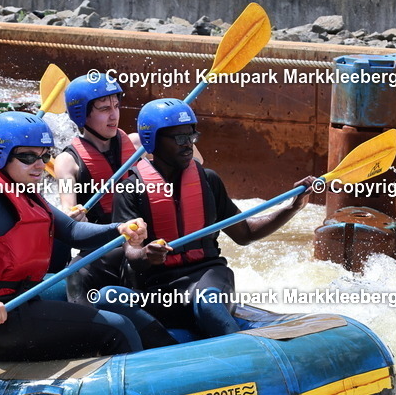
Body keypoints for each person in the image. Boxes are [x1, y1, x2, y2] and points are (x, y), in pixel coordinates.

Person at [0, 111, 154, 362]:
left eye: (45, 156)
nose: (40, 165)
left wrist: (119, 229)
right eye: (28, 157)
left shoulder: (21, 188)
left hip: (23, 303)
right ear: (1, 155)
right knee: (119, 327)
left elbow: (73, 231)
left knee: (84, 302)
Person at [106, 98, 315, 339]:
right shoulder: (130, 189)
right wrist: (145, 254)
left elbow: (245, 233)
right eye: (180, 138)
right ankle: (169, 347)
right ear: (152, 140)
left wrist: (292, 208)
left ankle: (240, 350)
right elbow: (131, 253)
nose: (188, 145)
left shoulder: (208, 180)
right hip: (158, 288)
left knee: (208, 302)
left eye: (192, 137)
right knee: (108, 297)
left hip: (206, 276)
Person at [53, 73, 138, 305]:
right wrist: (73, 215)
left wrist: (172, 130)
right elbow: (68, 210)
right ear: (82, 114)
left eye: (116, 106)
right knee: (77, 273)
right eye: (104, 109)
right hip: (106, 242)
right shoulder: (67, 162)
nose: (114, 115)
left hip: (142, 235)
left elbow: (196, 163)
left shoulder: (138, 144)